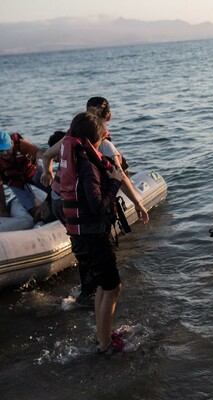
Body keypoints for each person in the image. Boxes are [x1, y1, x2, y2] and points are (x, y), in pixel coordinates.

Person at [40, 97, 149, 308]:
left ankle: (85, 293)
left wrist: (47, 173)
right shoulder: (104, 146)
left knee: (84, 249)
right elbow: (121, 177)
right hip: (86, 209)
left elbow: (46, 155)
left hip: (63, 204)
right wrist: (138, 204)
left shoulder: (68, 142)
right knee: (103, 265)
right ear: (108, 117)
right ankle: (93, 298)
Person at [59, 111, 125, 354]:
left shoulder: (74, 159)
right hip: (92, 237)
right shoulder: (86, 165)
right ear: (91, 140)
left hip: (80, 236)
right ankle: (106, 345)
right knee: (113, 287)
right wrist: (115, 182)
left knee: (103, 286)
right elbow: (98, 207)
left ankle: (103, 334)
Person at [0, 130, 50, 220]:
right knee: (34, 211)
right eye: (0, 150)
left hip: (33, 173)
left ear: (12, 143)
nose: (4, 153)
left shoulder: (21, 145)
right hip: (16, 182)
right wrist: (3, 211)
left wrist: (48, 172)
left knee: (55, 192)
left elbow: (45, 155)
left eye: (6, 148)